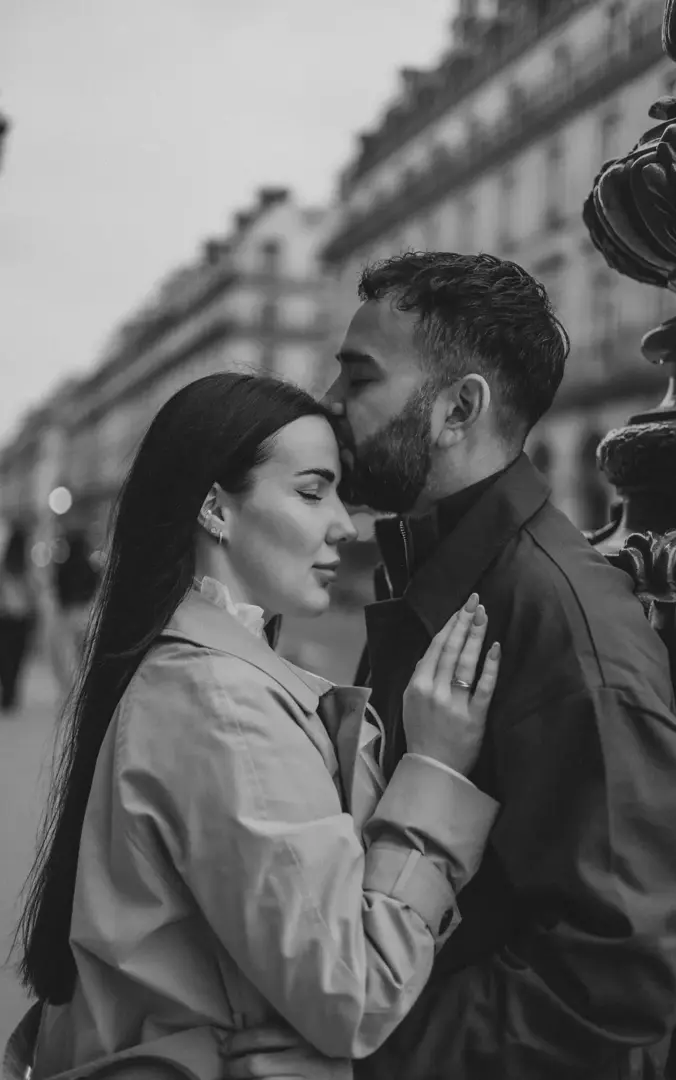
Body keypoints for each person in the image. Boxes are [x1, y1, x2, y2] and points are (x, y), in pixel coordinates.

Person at [222, 252, 676, 1080]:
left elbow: (611, 981)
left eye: (358, 378)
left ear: (457, 408)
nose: (329, 407)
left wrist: (370, 1060)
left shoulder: (560, 624)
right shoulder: (435, 571)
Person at [14, 372, 502, 1080]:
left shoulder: (190, 669)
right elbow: (354, 992)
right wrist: (437, 771)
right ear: (216, 508)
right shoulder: (222, 704)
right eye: (311, 490)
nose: (344, 522)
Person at [48, 529, 100, 697]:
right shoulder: (91, 568)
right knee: (84, 652)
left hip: (69, 614)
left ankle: (73, 686)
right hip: (86, 614)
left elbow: (57, 592)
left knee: (68, 653)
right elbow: (96, 590)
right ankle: (84, 685)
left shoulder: (63, 569)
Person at [0, 522, 37, 713]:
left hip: (6, 619)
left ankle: (8, 692)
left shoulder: (6, 566)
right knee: (15, 658)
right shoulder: (24, 567)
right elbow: (34, 594)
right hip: (20, 619)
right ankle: (10, 692)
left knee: (6, 658)